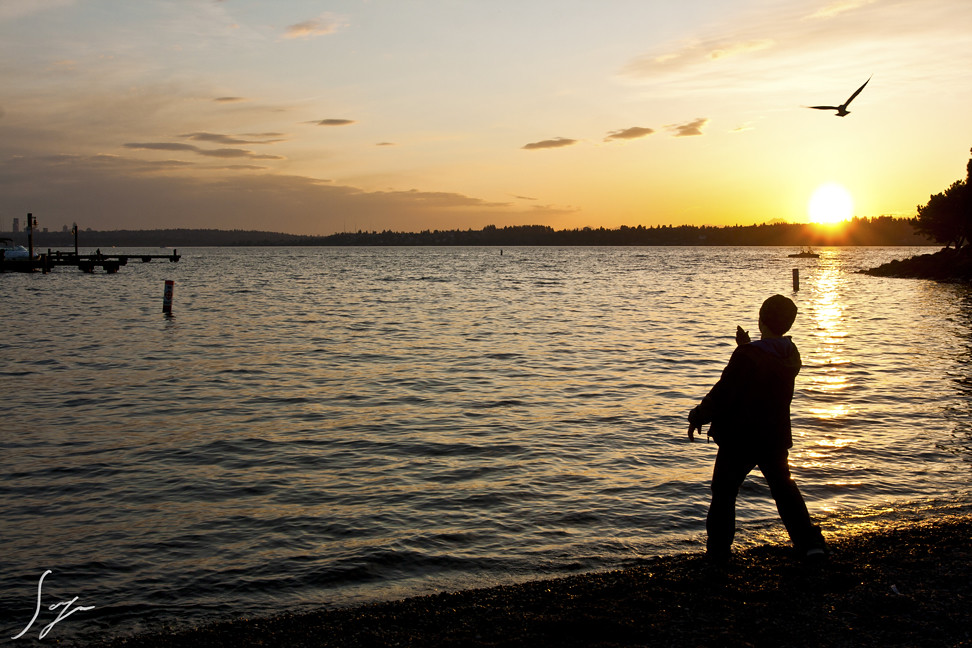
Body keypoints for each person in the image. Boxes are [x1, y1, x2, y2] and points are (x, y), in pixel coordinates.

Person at [687, 294, 826, 564]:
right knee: (784, 490)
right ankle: (809, 545)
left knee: (724, 493)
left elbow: (725, 393)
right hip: (773, 436)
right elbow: (765, 366)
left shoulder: (747, 356)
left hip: (740, 437)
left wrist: (698, 415)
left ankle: (718, 554)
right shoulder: (790, 354)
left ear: (761, 319)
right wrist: (748, 346)